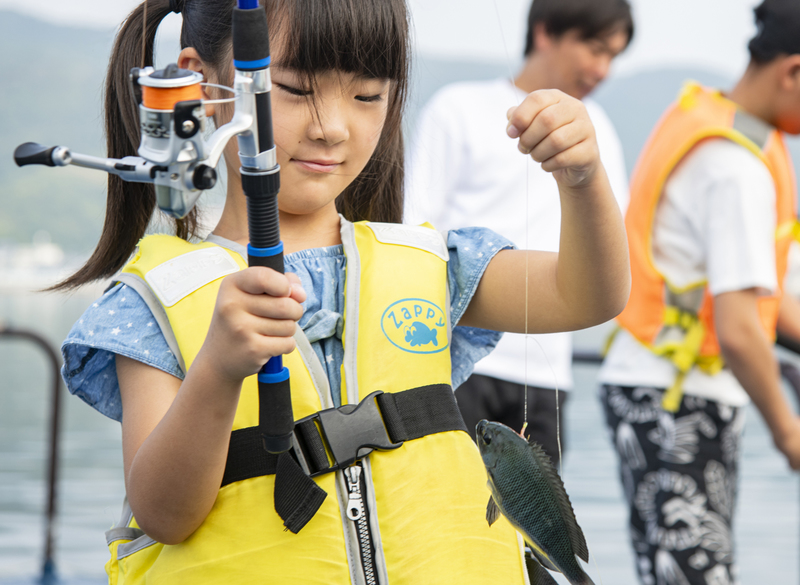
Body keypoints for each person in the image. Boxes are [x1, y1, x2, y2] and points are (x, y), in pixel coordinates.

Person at [56, 0, 629, 582]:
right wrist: (217, 371)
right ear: (203, 84)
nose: (330, 125)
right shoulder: (156, 300)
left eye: (367, 96)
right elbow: (163, 515)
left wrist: (582, 180)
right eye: (296, 88)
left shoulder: (434, 264)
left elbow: (587, 295)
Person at [597, 0, 800, 582]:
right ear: (794, 72)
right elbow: (738, 329)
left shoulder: (715, 124)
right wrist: (788, 429)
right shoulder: (736, 168)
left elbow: (755, 293)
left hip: (657, 391)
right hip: (674, 403)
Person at [406, 0, 633, 467]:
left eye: (613, 55)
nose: (602, 68)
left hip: (549, 373)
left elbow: (610, 249)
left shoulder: (600, 132)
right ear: (546, 30)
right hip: (457, 362)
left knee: (538, 535)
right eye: (594, 48)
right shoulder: (458, 107)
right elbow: (414, 226)